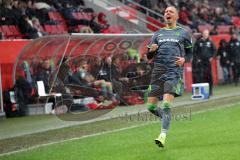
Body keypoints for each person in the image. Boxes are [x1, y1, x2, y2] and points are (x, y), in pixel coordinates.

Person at [146, 6, 192, 147]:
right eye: (165, 11)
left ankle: (162, 135)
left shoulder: (183, 33)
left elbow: (190, 54)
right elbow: (149, 56)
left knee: (166, 104)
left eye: (171, 11)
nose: (167, 13)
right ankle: (167, 117)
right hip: (157, 73)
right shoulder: (157, 34)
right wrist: (151, 51)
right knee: (151, 107)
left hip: (173, 72)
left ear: (177, 16)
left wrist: (184, 60)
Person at [192, 29, 216, 95]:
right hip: (200, 62)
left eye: (207, 33)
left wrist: (212, 57)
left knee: (209, 76)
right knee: (200, 76)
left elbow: (214, 50)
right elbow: (194, 51)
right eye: (204, 33)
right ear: (202, 34)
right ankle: (202, 91)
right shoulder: (198, 42)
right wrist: (197, 59)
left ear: (208, 34)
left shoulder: (210, 42)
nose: (205, 35)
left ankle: (210, 91)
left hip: (207, 62)